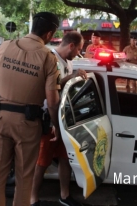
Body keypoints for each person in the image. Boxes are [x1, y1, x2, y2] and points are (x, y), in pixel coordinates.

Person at [0, 12, 61, 206]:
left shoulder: (5, 46)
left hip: (0, 118)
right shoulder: (48, 58)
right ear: (49, 34)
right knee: (24, 178)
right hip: (28, 124)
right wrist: (55, 126)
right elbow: (52, 101)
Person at [30, 31, 87, 206]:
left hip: (63, 119)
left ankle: (65, 195)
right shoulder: (50, 59)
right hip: (49, 120)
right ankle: (32, 199)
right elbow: (47, 89)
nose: (78, 53)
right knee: (42, 162)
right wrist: (70, 78)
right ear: (71, 45)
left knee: (65, 157)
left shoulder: (67, 62)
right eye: (78, 49)